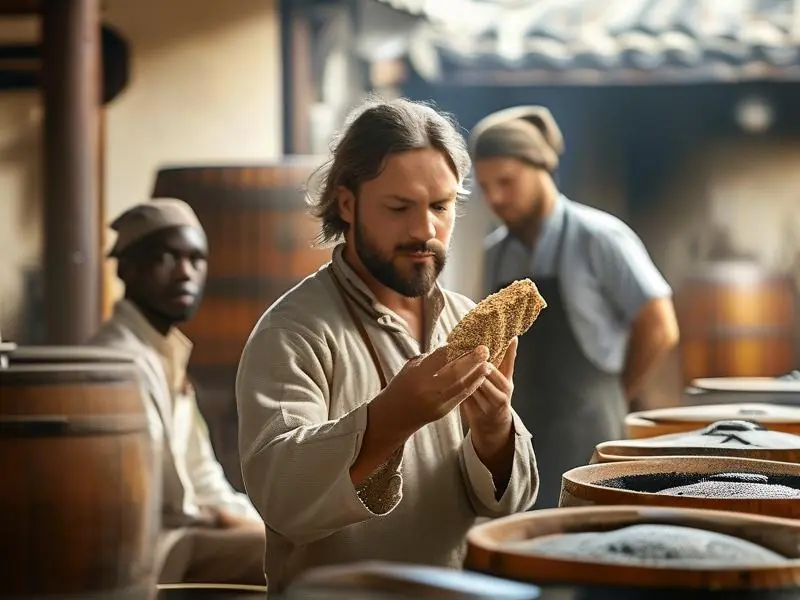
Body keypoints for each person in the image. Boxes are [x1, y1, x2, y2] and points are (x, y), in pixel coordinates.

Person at [236, 97, 539, 593]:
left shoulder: (464, 317)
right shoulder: (292, 331)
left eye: (441, 207)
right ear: (347, 204)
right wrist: (390, 419)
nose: (425, 231)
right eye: (399, 208)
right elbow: (280, 499)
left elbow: (511, 505)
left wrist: (494, 433)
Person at [470, 106, 680, 509]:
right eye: (485, 186)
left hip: (590, 432)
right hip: (520, 434)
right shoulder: (496, 252)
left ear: (542, 167)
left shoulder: (600, 237)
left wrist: (615, 395)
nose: (495, 198)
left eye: (506, 182)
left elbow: (660, 326)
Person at [88, 198, 266, 585]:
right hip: (151, 546)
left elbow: (203, 475)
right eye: (166, 257)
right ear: (126, 268)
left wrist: (260, 521)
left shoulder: (167, 354)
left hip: (188, 530)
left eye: (196, 259)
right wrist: (233, 521)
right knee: (291, 556)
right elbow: (167, 497)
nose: (185, 272)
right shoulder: (121, 361)